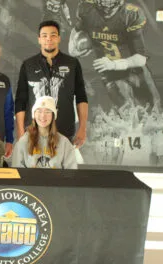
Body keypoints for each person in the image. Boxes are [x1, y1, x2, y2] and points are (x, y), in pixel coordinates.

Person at [68, 0, 161, 110]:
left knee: (155, 111)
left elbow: (141, 59)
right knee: (128, 115)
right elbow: (76, 29)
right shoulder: (87, 9)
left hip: (135, 69)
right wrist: (72, 47)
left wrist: (114, 64)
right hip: (110, 74)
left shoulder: (130, 14)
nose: (107, 10)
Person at [15, 20, 88, 148]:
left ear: (59, 38)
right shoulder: (28, 65)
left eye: (53, 35)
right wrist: (21, 131)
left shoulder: (72, 64)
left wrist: (82, 128)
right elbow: (21, 100)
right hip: (33, 133)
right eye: (44, 35)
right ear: (39, 39)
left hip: (63, 131)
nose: (49, 39)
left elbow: (81, 98)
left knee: (61, 168)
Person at [12, 96, 77, 169]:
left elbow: (71, 173)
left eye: (47, 112)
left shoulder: (64, 143)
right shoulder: (23, 141)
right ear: (34, 115)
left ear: (53, 115)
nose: (43, 115)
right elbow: (17, 171)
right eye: (39, 111)